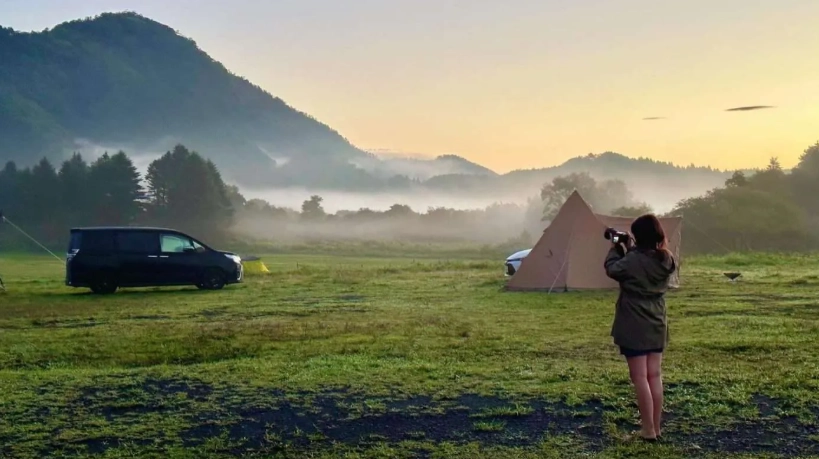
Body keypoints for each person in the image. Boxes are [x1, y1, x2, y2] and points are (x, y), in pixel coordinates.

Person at [604, 214, 677, 441]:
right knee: (654, 375)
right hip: (657, 320)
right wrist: (631, 247)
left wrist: (616, 248)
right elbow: (645, 260)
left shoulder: (632, 260)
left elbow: (613, 269)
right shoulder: (666, 258)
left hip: (634, 321)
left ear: (638, 236)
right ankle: (656, 427)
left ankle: (647, 430)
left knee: (640, 377)